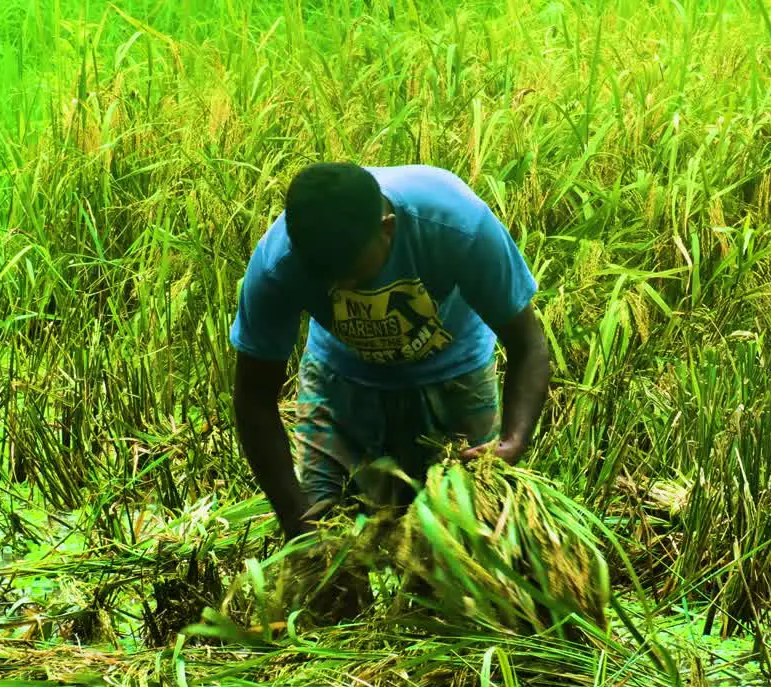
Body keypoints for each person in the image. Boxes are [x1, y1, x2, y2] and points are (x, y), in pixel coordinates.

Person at [229, 162, 551, 546]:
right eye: (323, 275)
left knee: (458, 549)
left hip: (455, 375)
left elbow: (528, 343)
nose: (339, 286)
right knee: (328, 556)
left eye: (351, 272)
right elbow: (254, 400)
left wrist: (513, 441)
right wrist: (297, 524)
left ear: (388, 228)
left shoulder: (456, 223)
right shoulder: (277, 264)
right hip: (339, 381)